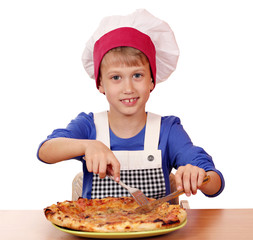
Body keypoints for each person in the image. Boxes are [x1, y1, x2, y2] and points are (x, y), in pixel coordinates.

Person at [37, 9, 224, 200]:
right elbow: (45, 151)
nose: (128, 88)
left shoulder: (167, 130)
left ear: (152, 80)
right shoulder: (88, 126)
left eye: (137, 75)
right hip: (95, 226)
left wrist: (200, 176)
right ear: (100, 84)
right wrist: (88, 146)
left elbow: (215, 183)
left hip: (158, 226)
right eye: (116, 77)